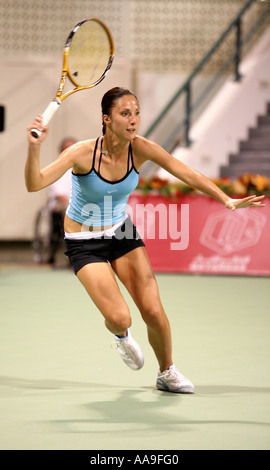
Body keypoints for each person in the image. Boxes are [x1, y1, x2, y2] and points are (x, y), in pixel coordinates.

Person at [25, 87, 264, 393]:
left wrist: (226, 200)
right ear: (107, 119)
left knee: (153, 311)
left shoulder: (141, 148)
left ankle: (167, 372)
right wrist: (34, 148)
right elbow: (35, 183)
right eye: (125, 114)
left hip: (121, 231)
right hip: (84, 240)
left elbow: (186, 173)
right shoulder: (82, 153)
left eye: (136, 112)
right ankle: (121, 337)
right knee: (119, 317)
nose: (134, 119)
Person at [47, 138, 77, 264]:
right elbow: (59, 195)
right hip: (61, 206)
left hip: (79, 206)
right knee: (68, 208)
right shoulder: (56, 169)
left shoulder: (84, 169)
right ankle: (72, 248)